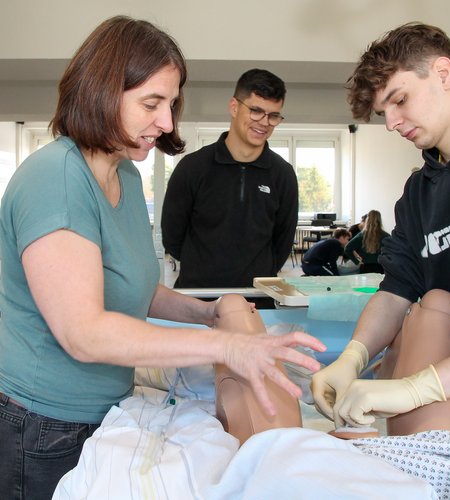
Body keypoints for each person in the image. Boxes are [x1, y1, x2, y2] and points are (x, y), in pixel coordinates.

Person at [0, 17, 325, 499]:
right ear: (101, 92)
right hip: (42, 424)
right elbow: (84, 333)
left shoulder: (126, 175)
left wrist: (208, 314)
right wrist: (225, 348)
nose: (167, 122)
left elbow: (135, 287)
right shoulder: (57, 180)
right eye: (151, 104)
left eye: (171, 104)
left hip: (102, 413)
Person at [311, 22, 450, 440]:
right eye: (385, 113)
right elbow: (396, 292)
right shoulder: (419, 192)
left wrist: (417, 387)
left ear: (443, 73)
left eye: (400, 100)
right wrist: (353, 357)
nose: (393, 123)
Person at [161, 68, 299, 307]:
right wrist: (203, 270)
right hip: (196, 301)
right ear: (234, 107)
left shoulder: (282, 175)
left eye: (273, 115)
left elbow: (282, 242)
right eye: (256, 111)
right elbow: (172, 236)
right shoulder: (193, 168)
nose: (264, 123)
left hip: (257, 302)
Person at [344, 210, 389, 274]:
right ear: (380, 220)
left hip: (365, 267)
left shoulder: (361, 235)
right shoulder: (386, 236)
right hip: (380, 267)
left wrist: (356, 261)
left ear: (367, 220)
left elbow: (347, 249)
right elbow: (392, 251)